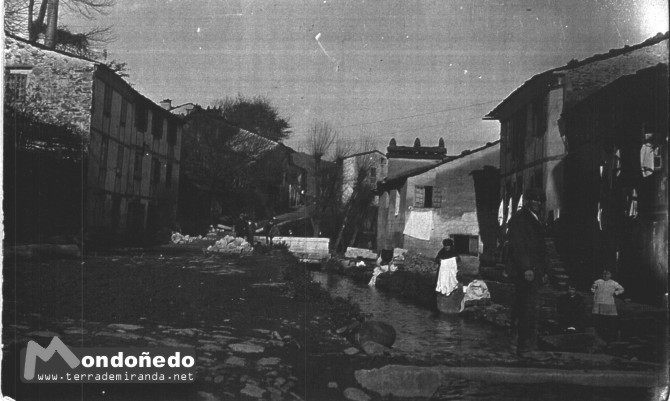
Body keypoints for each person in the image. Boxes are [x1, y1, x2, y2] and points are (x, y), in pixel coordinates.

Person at [505, 188, 548, 357]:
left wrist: (544, 271)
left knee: (531, 308)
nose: (537, 203)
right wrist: (526, 268)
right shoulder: (520, 218)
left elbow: (541, 249)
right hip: (525, 272)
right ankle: (521, 346)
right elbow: (518, 246)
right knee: (524, 308)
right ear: (527, 201)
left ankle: (526, 345)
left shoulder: (536, 219)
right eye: (534, 200)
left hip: (535, 271)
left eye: (540, 201)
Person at [591, 269, 624, 342]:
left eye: (608, 274)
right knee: (599, 319)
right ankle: (600, 336)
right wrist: (593, 289)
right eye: (604, 274)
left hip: (608, 303)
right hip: (598, 303)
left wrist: (616, 293)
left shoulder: (613, 283)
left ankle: (609, 337)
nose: (606, 276)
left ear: (610, 275)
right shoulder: (598, 281)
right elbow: (593, 289)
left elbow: (621, 289)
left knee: (609, 319)